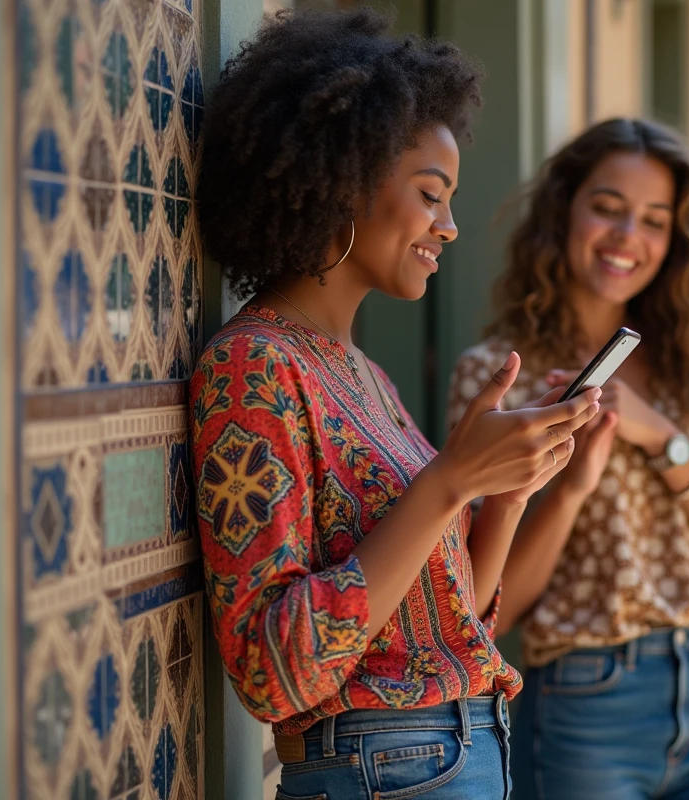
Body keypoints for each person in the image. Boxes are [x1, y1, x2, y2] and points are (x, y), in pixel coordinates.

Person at [190, 11, 601, 799]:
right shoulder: (252, 370)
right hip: (386, 767)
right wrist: (449, 481)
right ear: (344, 184)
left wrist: (504, 490)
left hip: (454, 750)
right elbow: (274, 673)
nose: (448, 227)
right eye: (430, 195)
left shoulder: (363, 378)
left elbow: (452, 612)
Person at [448, 118, 689, 800]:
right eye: (607, 208)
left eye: (655, 220)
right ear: (563, 210)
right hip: (584, 705)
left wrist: (661, 437)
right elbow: (490, 606)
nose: (630, 236)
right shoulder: (496, 376)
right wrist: (567, 492)